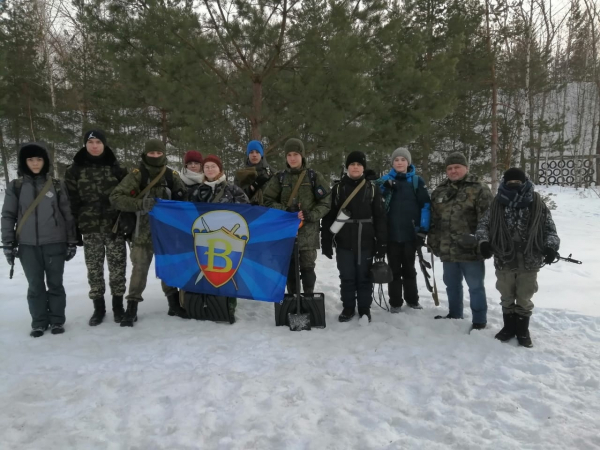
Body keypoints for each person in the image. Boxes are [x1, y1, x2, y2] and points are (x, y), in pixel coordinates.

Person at [476, 168, 559, 347]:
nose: (514, 184)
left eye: (517, 182)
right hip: (504, 258)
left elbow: (549, 229)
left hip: (530, 259)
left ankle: (522, 331)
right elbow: (483, 225)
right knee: (506, 295)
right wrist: (483, 242)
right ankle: (508, 328)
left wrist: (551, 247)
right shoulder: (497, 202)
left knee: (524, 296)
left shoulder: (536, 202)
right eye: (510, 181)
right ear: (505, 182)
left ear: (524, 181)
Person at [1, 143, 77, 337]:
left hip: (54, 242)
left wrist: (71, 241)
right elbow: (8, 215)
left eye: (39, 159)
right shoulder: (16, 186)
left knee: (55, 284)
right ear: (24, 162)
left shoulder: (56, 185)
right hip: (27, 246)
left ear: (45, 161)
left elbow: (67, 215)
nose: (35, 163)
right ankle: (39, 322)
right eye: (30, 159)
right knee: (35, 286)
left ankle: (57, 320)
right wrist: (8, 243)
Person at [109, 139, 188, 327]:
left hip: (166, 234)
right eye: (151, 153)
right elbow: (115, 197)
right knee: (139, 270)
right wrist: (139, 204)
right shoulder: (137, 175)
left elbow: (184, 200)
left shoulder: (171, 176)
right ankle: (132, 308)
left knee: (168, 268)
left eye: (158, 153)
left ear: (163, 154)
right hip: (141, 233)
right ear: (145, 154)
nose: (155, 156)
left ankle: (174, 304)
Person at [64, 130, 129, 326]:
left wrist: (127, 222)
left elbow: (127, 197)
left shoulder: (117, 169)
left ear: (104, 144)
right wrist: (74, 229)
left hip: (114, 227)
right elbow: (71, 202)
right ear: (85, 144)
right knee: (94, 270)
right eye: (90, 142)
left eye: (98, 142)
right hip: (89, 228)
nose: (94, 146)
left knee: (118, 269)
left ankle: (118, 307)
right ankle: (98, 309)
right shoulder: (74, 170)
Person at [427, 152, 493, 330]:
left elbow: (487, 220)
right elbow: (435, 220)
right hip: (448, 249)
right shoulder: (440, 191)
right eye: (449, 168)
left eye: (457, 167)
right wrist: (433, 241)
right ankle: (455, 314)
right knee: (451, 284)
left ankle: (479, 320)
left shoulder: (479, 189)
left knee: (475, 286)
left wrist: (483, 243)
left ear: (466, 168)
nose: (453, 171)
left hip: (470, 249)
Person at [321, 151, 387, 322]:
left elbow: (380, 217)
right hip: (344, 241)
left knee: (364, 277)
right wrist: (326, 240)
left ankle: (364, 309)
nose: (355, 167)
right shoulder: (337, 188)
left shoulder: (372, 189)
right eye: (352, 164)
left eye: (358, 164)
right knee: (347, 277)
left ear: (363, 167)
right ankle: (348, 307)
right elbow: (329, 216)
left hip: (366, 241)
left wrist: (382, 243)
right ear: (347, 167)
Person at [263, 138, 331, 295]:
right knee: (290, 270)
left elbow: (326, 201)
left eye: (296, 154)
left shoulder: (314, 177)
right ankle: (293, 301)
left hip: (308, 234)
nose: (292, 158)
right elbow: (267, 201)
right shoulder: (280, 178)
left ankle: (307, 300)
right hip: (286, 234)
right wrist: (285, 210)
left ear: (302, 156)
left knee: (308, 270)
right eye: (289, 155)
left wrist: (311, 215)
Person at [189, 154, 249, 320]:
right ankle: (208, 305)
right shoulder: (197, 191)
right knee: (206, 270)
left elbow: (246, 209)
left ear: (220, 169)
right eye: (206, 167)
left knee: (228, 272)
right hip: (205, 240)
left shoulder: (232, 189)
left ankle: (229, 307)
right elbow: (190, 213)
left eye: (213, 166)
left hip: (227, 239)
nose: (209, 169)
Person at [375, 148, 431, 312]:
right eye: (396, 160)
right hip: (391, 234)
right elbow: (372, 193)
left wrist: (423, 229)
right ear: (392, 163)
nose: (399, 162)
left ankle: (412, 300)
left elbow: (425, 206)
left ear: (408, 162)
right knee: (393, 269)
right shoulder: (384, 180)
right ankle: (395, 302)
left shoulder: (416, 181)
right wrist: (384, 186)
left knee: (409, 268)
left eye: (403, 159)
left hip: (410, 233)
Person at [234, 140, 273, 205]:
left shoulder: (272, 172)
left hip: (267, 211)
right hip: (247, 212)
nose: (254, 155)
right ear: (248, 154)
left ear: (261, 154)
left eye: (257, 152)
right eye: (251, 152)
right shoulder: (240, 175)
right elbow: (236, 198)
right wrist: (252, 187)